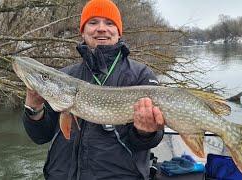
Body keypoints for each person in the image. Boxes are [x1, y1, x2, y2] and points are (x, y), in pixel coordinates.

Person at [22, 0, 165, 179]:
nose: (101, 28)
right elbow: (40, 137)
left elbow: (150, 140)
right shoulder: (66, 75)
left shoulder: (140, 75)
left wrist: (145, 132)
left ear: (119, 32)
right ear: (82, 31)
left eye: (109, 23)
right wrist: (33, 109)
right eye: (93, 22)